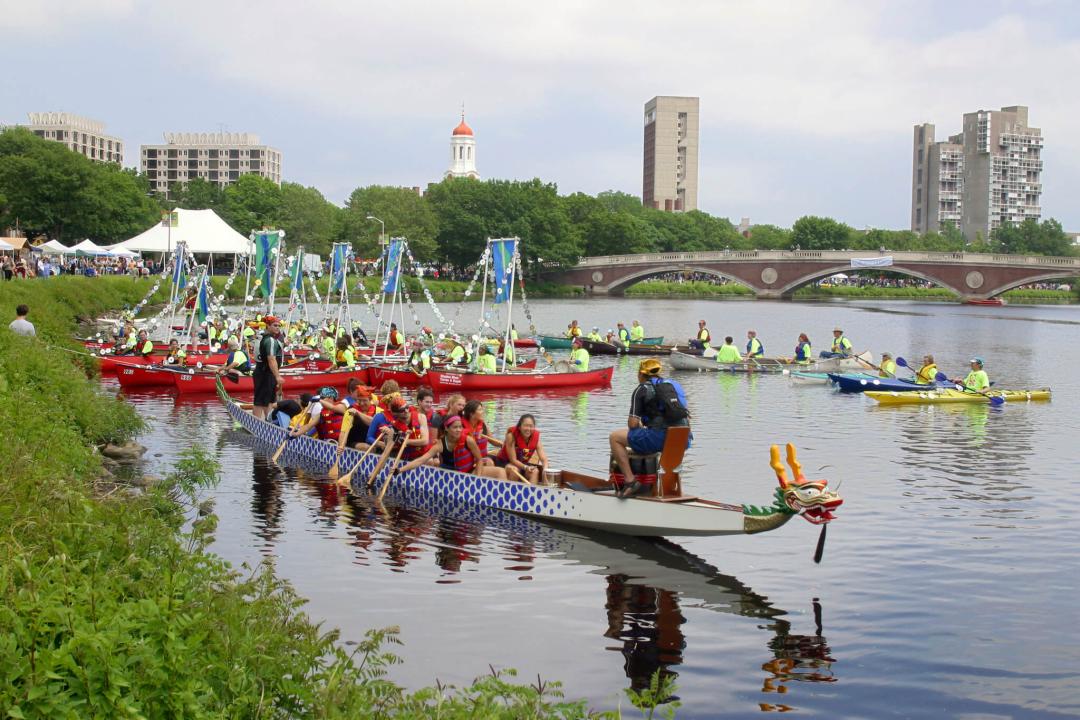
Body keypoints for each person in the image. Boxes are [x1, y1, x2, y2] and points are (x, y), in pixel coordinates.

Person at [608, 359, 690, 498]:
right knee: (647, 436)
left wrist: (641, 425)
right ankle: (667, 490)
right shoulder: (674, 385)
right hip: (683, 438)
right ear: (659, 372)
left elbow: (633, 424)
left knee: (615, 437)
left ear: (641, 374)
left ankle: (630, 481)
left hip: (660, 437)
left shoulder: (642, 389)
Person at [495, 414, 548, 484]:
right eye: (526, 425)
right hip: (504, 462)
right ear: (519, 427)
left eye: (531, 426)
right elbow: (513, 460)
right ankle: (510, 492)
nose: (528, 429)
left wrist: (545, 473)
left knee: (535, 471)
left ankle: (532, 493)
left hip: (522, 464)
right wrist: (526, 467)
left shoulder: (536, 439)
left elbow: (544, 460)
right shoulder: (511, 436)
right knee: (514, 470)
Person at [252, 316, 285, 420]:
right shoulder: (270, 340)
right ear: (268, 326)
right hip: (265, 374)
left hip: (267, 374)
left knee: (270, 400)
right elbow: (271, 359)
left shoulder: (269, 339)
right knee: (260, 400)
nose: (277, 328)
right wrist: (278, 376)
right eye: (275, 325)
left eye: (279, 326)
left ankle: (268, 421)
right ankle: (255, 423)